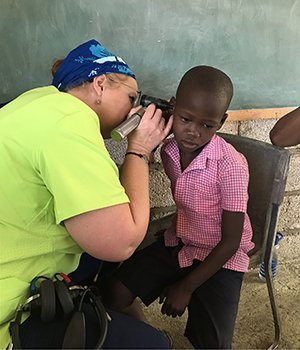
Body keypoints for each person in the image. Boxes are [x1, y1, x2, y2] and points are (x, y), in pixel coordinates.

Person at [0, 39, 173, 349]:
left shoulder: (37, 102)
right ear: (100, 84)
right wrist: (140, 149)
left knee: (97, 265)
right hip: (8, 305)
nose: (133, 110)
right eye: (131, 97)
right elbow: (123, 241)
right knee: (152, 345)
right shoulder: (69, 123)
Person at [105, 65, 255, 349]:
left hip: (220, 254)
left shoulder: (231, 166)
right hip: (183, 241)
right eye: (185, 119)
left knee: (212, 343)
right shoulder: (170, 151)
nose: (193, 132)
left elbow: (232, 241)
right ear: (173, 108)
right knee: (115, 291)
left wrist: (186, 287)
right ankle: (146, 340)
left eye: (207, 125)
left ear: (221, 122)